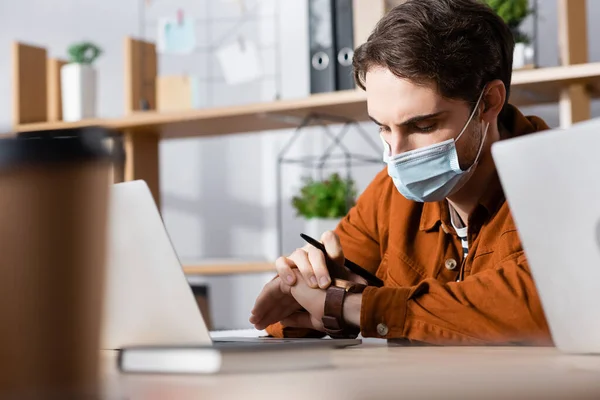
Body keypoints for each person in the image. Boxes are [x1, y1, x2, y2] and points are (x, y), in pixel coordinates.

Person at [249, 0, 553, 345]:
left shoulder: (565, 179)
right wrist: (310, 286)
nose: (396, 153)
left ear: (488, 103)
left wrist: (353, 304)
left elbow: (541, 307)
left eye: (422, 125)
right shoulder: (388, 194)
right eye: (382, 127)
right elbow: (287, 312)